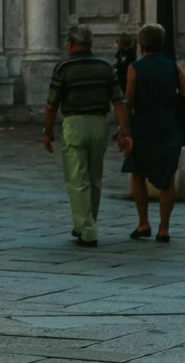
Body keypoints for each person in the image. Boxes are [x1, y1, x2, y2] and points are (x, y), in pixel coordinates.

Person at [119, 22, 185, 243]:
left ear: (141, 44)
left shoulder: (135, 67)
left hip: (143, 125)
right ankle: (164, 229)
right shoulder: (173, 66)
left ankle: (143, 223)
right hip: (169, 126)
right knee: (167, 178)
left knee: (137, 173)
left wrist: (124, 130)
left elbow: (129, 100)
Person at [43, 24, 117, 248]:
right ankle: (85, 221)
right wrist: (125, 130)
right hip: (99, 123)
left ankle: (87, 230)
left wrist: (47, 131)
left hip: (74, 123)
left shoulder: (63, 67)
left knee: (77, 179)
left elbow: (51, 104)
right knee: (94, 179)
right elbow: (120, 101)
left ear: (69, 44)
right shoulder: (105, 66)